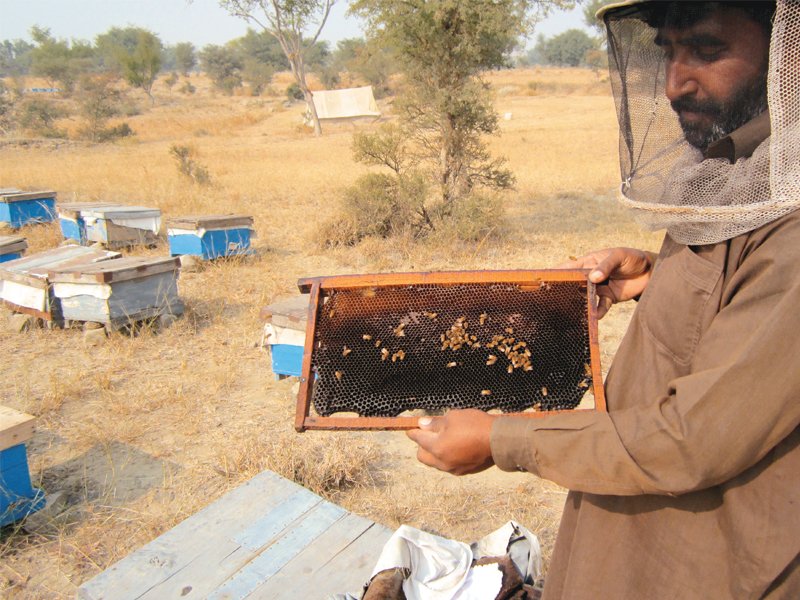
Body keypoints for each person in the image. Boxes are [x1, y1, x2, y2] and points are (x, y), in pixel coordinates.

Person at [407, 1, 800, 598]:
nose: (674, 84)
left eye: (707, 50)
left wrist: (499, 438)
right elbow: (738, 291)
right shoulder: (749, 169)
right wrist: (656, 275)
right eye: (669, 51)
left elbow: (693, 438)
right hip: (636, 519)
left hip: (709, 559)